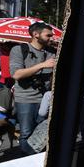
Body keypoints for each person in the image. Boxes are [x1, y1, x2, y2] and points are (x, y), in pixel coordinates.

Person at [10, 22, 56, 155]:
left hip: (46, 99)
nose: (51, 38)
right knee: (26, 133)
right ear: (36, 34)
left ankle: (40, 159)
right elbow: (16, 74)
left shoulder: (52, 52)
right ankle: (27, 159)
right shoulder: (19, 50)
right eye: (48, 35)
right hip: (26, 99)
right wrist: (42, 65)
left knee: (44, 131)